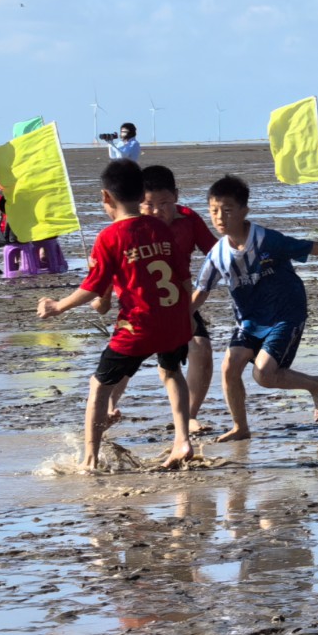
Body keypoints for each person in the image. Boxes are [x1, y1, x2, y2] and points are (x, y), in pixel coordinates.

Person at [193, 174, 318, 443]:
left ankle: (316, 384)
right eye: (213, 211)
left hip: (286, 314)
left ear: (244, 211)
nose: (219, 217)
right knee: (229, 367)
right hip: (249, 321)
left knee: (263, 375)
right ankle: (240, 427)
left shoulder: (268, 241)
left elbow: (313, 247)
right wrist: (175, 319)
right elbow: (201, 291)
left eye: (227, 210)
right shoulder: (217, 254)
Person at [36, 159, 193, 471]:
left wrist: (59, 306)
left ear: (106, 197)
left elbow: (93, 288)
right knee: (172, 371)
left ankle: (90, 459)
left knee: (98, 386)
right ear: (141, 194)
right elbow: (183, 278)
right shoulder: (161, 228)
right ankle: (182, 439)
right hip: (175, 321)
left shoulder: (109, 237)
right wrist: (186, 316)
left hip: (139, 327)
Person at [107, 166, 219, 434]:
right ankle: (109, 408)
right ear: (137, 201)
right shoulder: (127, 227)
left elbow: (216, 254)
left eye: (165, 204)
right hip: (138, 309)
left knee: (201, 348)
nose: (157, 211)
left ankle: (189, 415)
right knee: (124, 361)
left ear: (176, 197)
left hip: (178, 303)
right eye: (149, 205)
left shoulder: (188, 219)